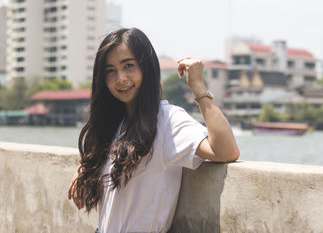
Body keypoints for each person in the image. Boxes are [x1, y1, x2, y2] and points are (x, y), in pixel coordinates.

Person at [68, 27, 239, 233]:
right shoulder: (115, 124)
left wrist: (198, 87)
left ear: (146, 67)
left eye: (128, 66)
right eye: (110, 70)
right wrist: (85, 169)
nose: (120, 78)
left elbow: (226, 151)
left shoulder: (167, 121)